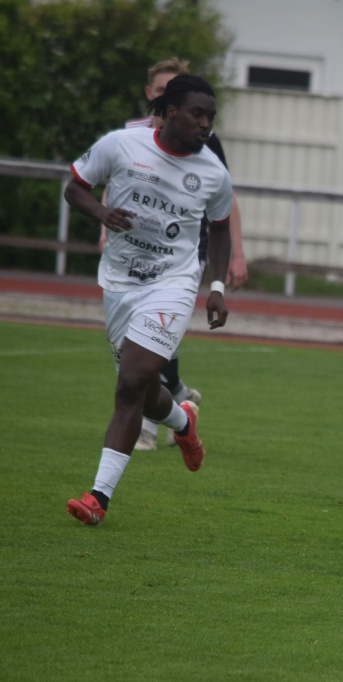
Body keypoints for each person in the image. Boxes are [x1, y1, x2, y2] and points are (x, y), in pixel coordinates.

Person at [65, 75, 234, 526]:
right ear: (170, 111)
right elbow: (74, 187)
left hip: (173, 284)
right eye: (197, 114)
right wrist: (103, 213)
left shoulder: (214, 173)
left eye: (211, 116)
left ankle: (98, 497)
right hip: (119, 282)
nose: (206, 124)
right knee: (139, 389)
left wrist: (217, 288)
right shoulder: (121, 145)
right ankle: (183, 422)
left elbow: (220, 231)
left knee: (131, 382)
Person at [102, 57, 248, 451]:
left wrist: (233, 259)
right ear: (155, 97)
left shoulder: (204, 144)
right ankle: (181, 404)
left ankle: (145, 431)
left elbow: (224, 201)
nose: (204, 122)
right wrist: (104, 222)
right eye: (161, 89)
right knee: (138, 361)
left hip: (181, 261)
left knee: (149, 353)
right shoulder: (128, 136)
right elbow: (116, 182)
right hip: (126, 263)